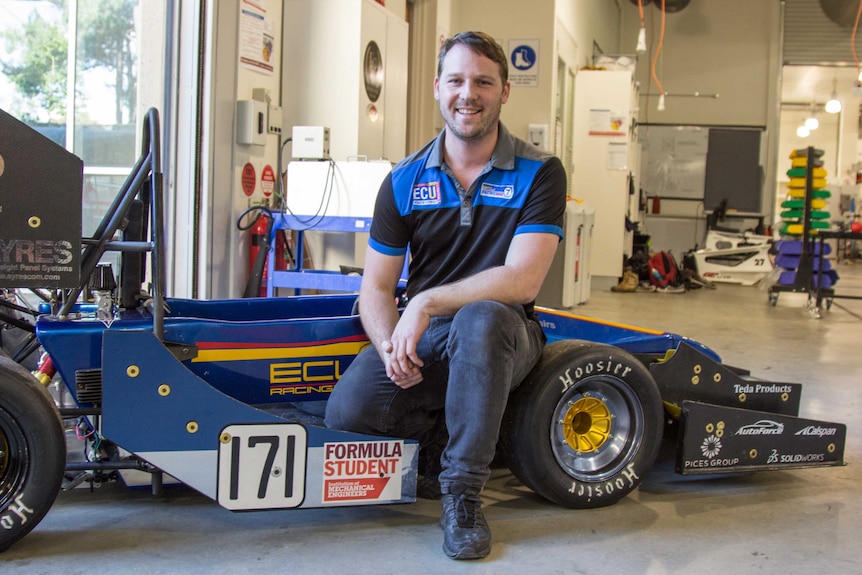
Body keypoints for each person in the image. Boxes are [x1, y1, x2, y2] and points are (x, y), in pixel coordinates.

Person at [325, 31, 567, 560]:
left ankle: (463, 494)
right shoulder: (403, 180)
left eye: (483, 81)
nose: (468, 94)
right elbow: (376, 287)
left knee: (481, 319)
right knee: (348, 412)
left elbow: (523, 280)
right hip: (432, 341)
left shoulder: (539, 173)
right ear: (437, 88)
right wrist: (391, 348)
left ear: (504, 92)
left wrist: (427, 302)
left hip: (506, 335)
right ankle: (445, 439)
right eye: (456, 80)